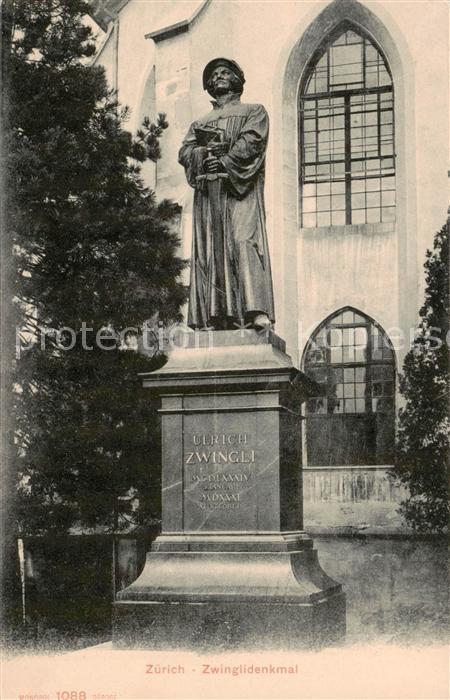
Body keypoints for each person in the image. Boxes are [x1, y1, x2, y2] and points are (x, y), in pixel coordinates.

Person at [179, 58, 275, 331]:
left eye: (225, 72)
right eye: (214, 74)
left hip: (239, 191)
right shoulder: (200, 123)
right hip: (209, 196)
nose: (219, 76)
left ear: (237, 79)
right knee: (210, 250)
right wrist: (202, 157)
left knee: (243, 241)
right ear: (209, 85)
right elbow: (184, 152)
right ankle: (214, 315)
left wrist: (224, 161)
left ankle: (254, 311)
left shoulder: (253, 111)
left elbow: (253, 141)